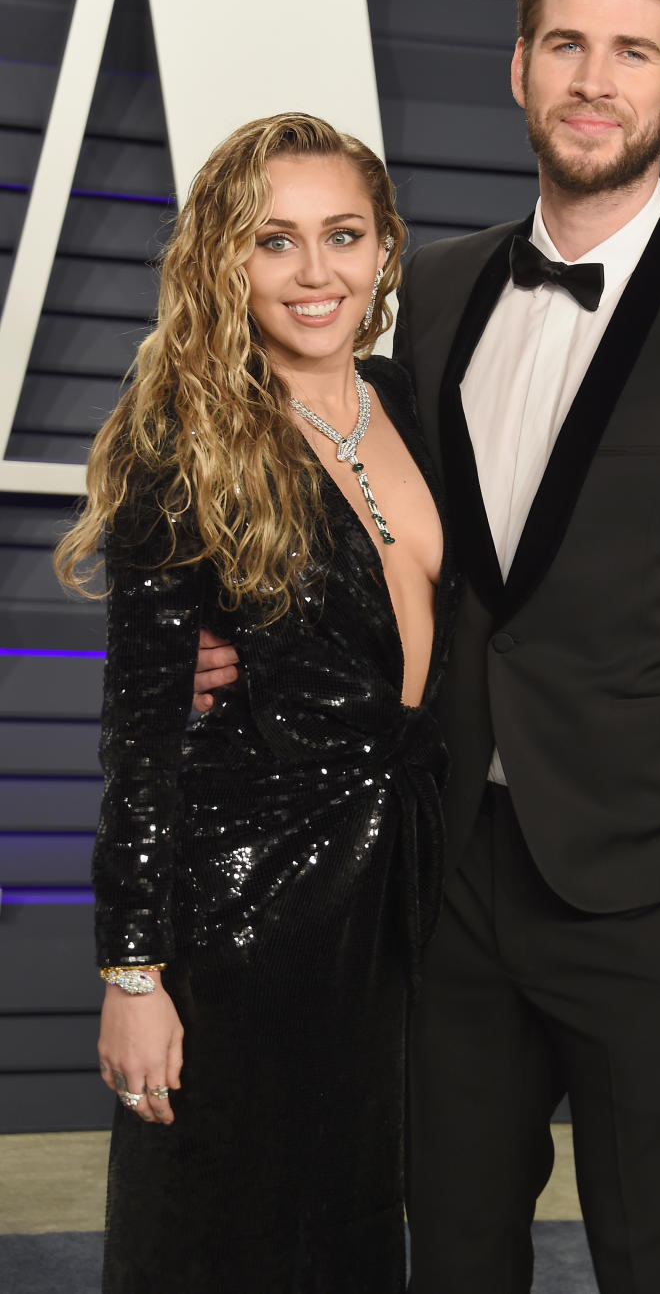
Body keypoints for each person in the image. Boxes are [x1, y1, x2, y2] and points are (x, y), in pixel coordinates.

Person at [196, 0, 660, 1294]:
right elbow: (373, 533)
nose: (593, 79)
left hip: (657, 888)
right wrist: (241, 648)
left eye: (631, 51)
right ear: (518, 66)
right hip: (448, 881)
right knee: (457, 1253)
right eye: (566, 42)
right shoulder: (425, 291)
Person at [55, 112, 455, 1294]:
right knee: (219, 1230)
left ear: (386, 246)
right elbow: (140, 736)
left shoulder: (413, 404)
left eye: (343, 234)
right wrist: (135, 972)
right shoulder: (183, 438)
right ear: (223, 261)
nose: (315, 271)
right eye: (274, 240)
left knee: (351, 1224)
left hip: (400, 885)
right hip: (245, 893)